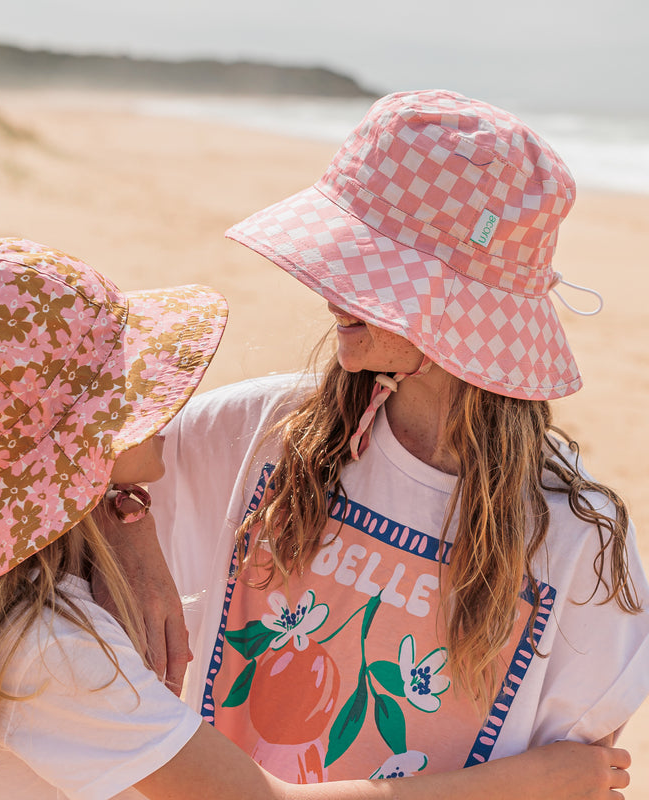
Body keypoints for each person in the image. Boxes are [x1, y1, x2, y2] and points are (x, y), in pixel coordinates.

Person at [0, 236, 628, 800]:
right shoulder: (58, 655)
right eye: (130, 395)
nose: (164, 403)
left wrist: (121, 522)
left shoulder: (30, 607)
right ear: (74, 456)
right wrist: (532, 781)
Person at [138, 90, 649, 784]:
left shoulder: (575, 540)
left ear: (458, 312)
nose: (330, 291)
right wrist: (131, 536)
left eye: (368, 270)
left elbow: (578, 784)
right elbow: (76, 477)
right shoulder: (261, 432)